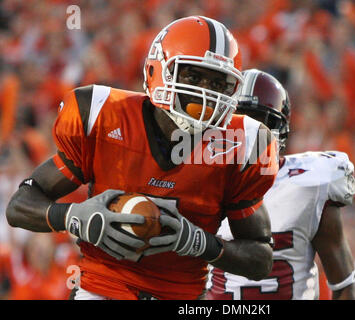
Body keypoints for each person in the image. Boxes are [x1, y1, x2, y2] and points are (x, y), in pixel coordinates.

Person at [6, 16, 279, 300]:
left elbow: (261, 258)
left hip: (183, 296)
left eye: (218, 84)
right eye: (194, 77)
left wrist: (199, 242)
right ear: (156, 69)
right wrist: (74, 217)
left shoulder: (239, 143)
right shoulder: (105, 116)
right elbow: (20, 205)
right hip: (102, 289)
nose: (206, 93)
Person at [207, 69, 355, 300]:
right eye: (238, 121)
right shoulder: (201, 180)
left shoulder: (310, 185)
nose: (248, 132)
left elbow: (344, 284)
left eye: (257, 122)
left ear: (280, 130)